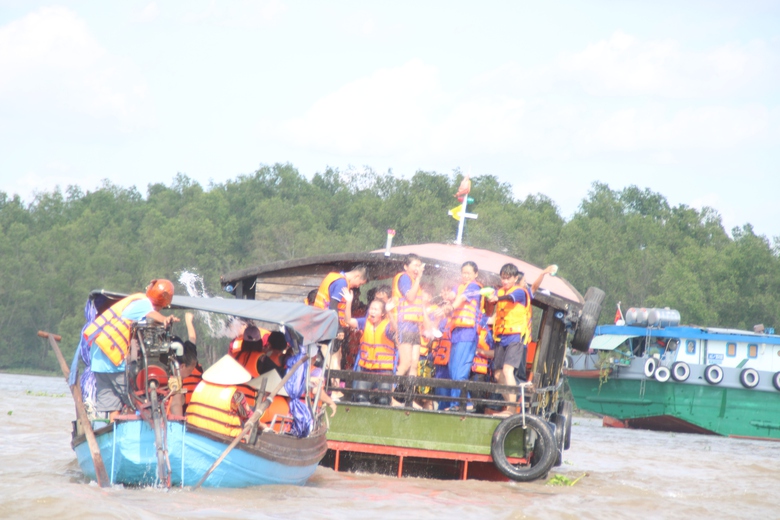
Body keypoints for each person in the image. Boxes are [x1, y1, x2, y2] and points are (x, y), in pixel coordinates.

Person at [83, 279, 179, 422]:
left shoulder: (130, 302)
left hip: (98, 359)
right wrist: (164, 319)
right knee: (134, 399)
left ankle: (114, 428)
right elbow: (151, 313)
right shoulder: (143, 304)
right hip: (112, 357)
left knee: (111, 405)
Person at [487, 263, 556, 413]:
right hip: (500, 337)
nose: (505, 281)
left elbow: (511, 297)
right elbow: (493, 314)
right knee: (498, 374)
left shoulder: (520, 292)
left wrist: (543, 273)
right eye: (503, 278)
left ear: (515, 278)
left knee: (507, 371)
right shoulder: (498, 292)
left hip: (516, 337)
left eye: (508, 278)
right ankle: (511, 403)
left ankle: (511, 410)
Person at [312, 265, 369, 395]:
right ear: (357, 276)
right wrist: (337, 329)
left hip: (322, 323)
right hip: (327, 326)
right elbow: (333, 306)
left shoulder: (333, 277)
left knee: (335, 358)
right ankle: (335, 391)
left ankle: (335, 390)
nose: (356, 286)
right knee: (332, 359)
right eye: (359, 283)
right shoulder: (341, 282)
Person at [441, 262, 482, 411]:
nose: (465, 276)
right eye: (463, 273)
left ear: (475, 274)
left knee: (460, 373)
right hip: (457, 333)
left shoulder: (474, 287)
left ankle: (459, 405)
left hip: (468, 333)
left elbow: (461, 299)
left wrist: (451, 306)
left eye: (468, 273)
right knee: (452, 372)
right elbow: (453, 295)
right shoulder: (458, 287)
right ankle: (466, 402)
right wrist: (447, 300)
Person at [343, 291, 396, 405]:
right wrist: (348, 303)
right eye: (371, 308)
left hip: (384, 369)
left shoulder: (387, 325)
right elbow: (348, 320)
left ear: (382, 313)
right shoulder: (364, 322)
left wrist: (390, 312)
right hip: (366, 368)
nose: (372, 311)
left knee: (383, 400)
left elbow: (395, 328)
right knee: (361, 398)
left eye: (375, 309)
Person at [186, 355, 255, 438]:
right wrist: (264, 426)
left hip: (193, 431)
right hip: (225, 438)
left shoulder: (201, 385)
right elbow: (250, 417)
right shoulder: (236, 395)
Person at [391, 254, 426, 378]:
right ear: (406, 266)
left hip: (414, 326)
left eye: (419, 266)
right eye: (415, 265)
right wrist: (418, 279)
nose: (418, 269)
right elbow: (410, 297)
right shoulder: (404, 278)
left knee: (414, 364)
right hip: (404, 324)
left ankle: (409, 396)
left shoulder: (414, 282)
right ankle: (392, 394)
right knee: (405, 363)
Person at [170, 312, 200, 416]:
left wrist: (188, 321)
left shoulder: (188, 354)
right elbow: (176, 403)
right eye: (191, 370)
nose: (192, 372)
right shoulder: (174, 377)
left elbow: (192, 339)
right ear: (182, 366)